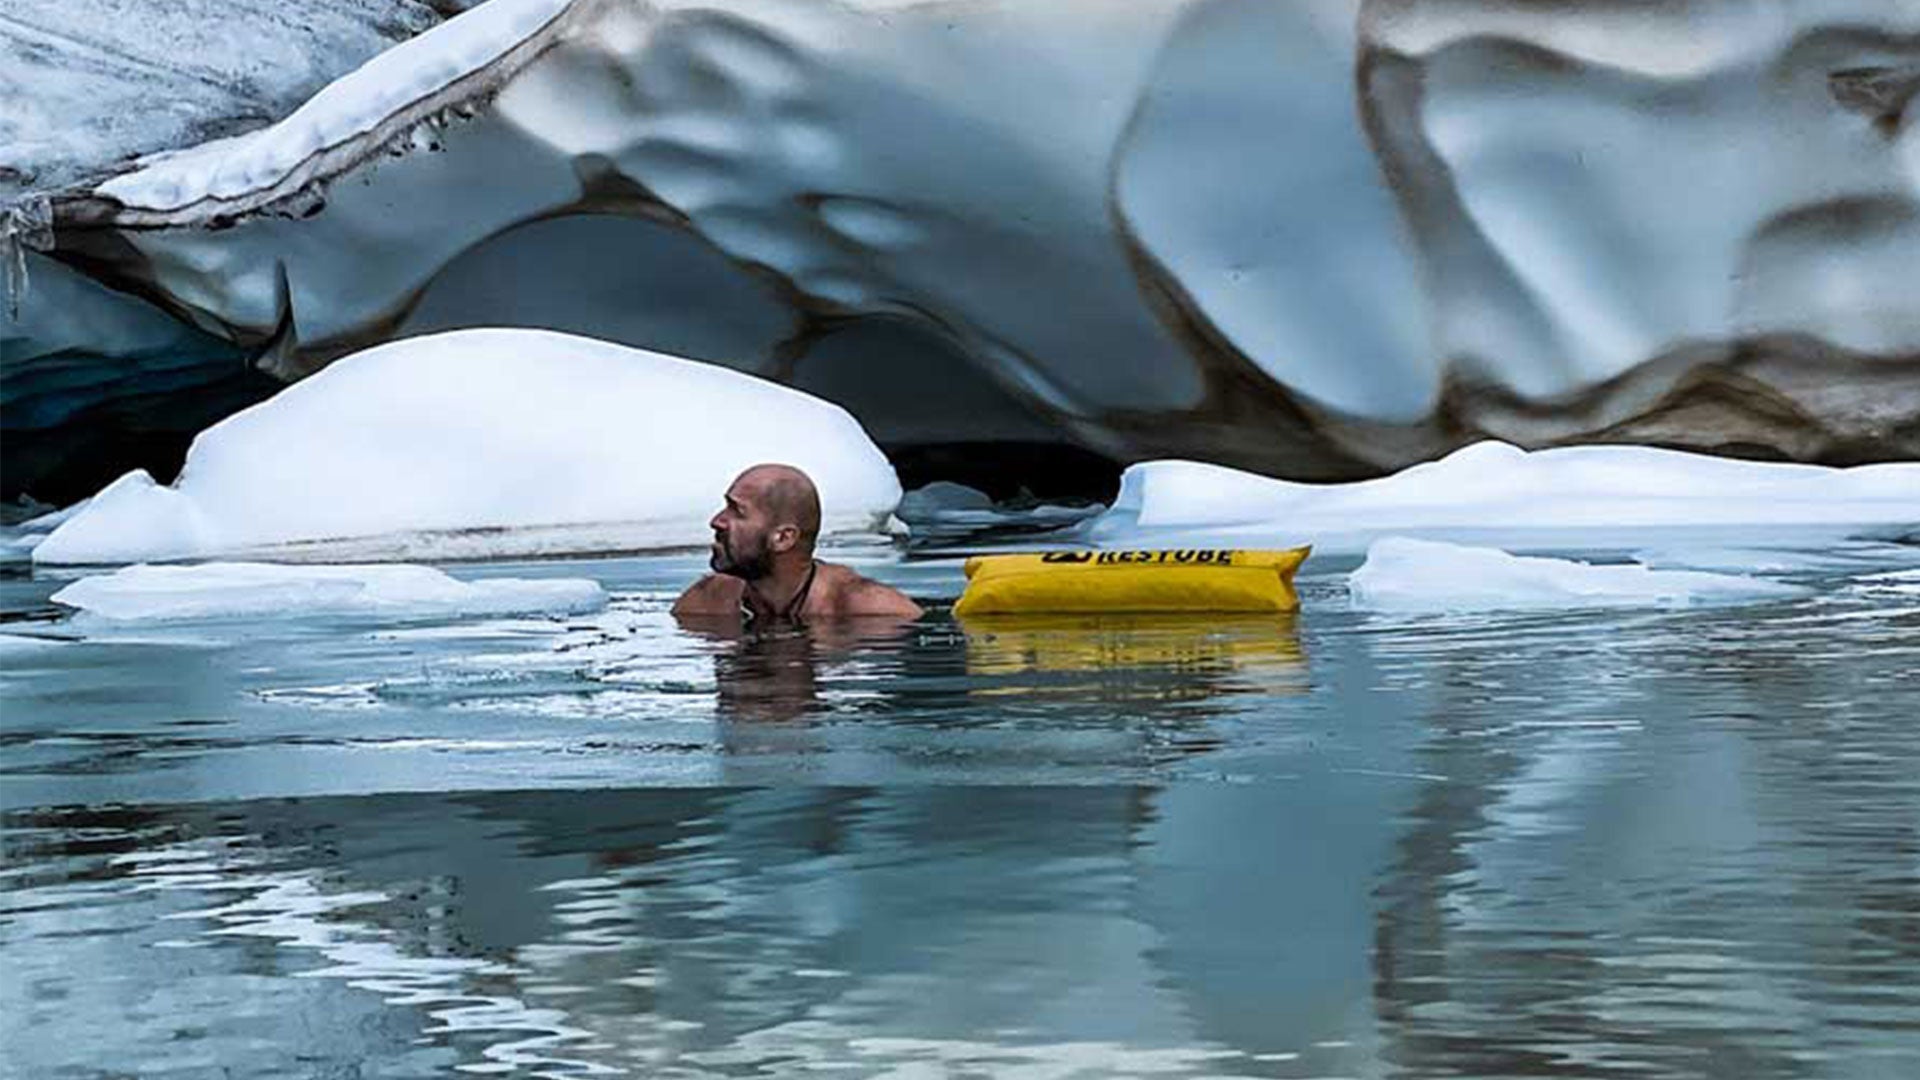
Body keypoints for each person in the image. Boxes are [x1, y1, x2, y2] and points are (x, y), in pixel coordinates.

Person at [672, 464, 923, 624]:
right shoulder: (707, 601)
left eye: (737, 511)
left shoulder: (870, 608)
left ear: (783, 538)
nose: (717, 522)